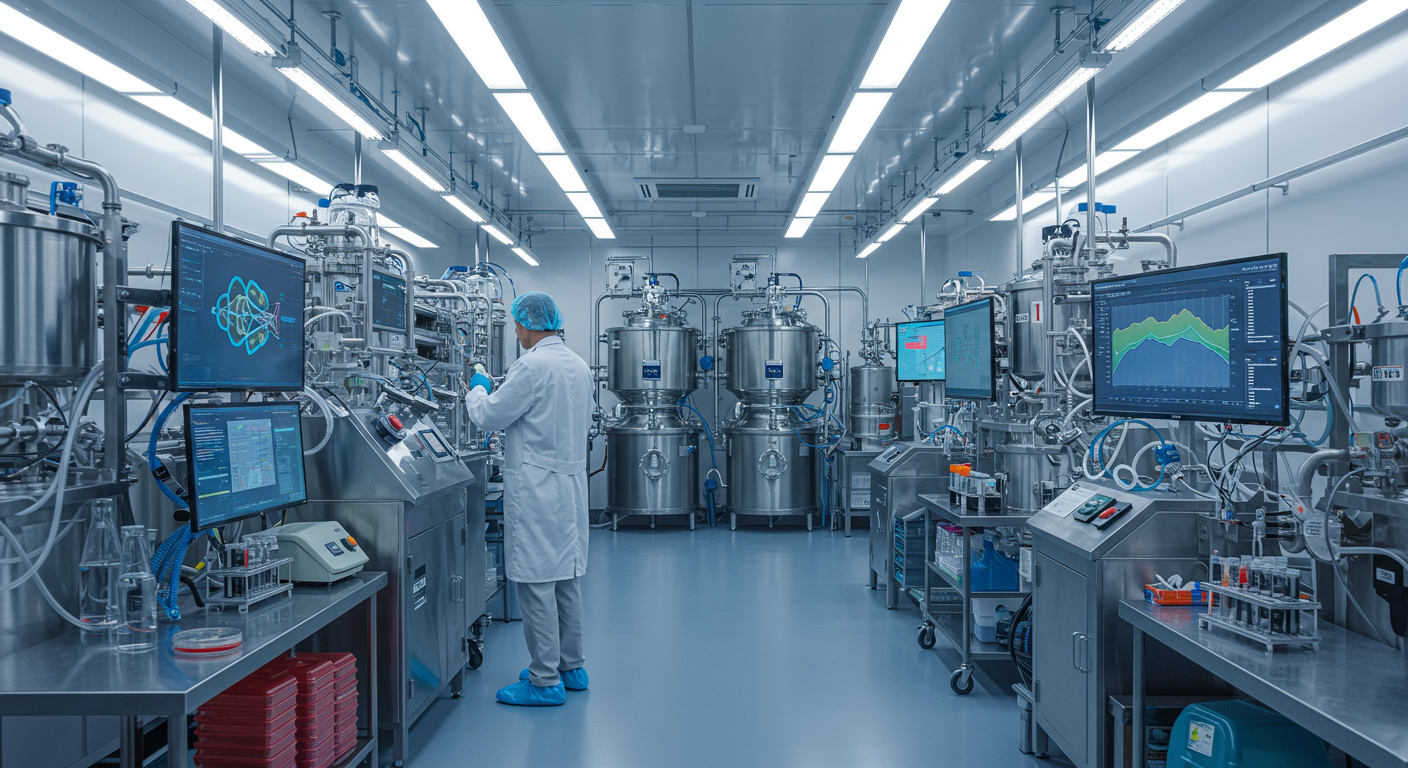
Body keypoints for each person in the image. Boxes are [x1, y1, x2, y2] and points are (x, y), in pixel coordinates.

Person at [464, 291, 593, 706]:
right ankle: (571, 667)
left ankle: (543, 681)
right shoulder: (578, 364)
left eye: (517, 325)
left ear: (529, 324)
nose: (516, 332)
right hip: (571, 487)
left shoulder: (532, 366)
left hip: (538, 489)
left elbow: (487, 416)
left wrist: (478, 388)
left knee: (537, 583)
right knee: (566, 580)